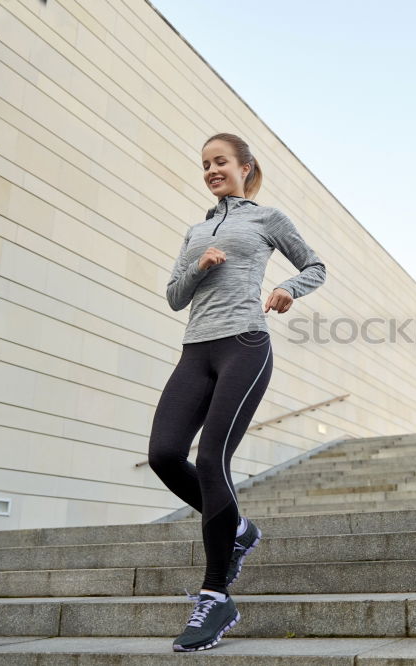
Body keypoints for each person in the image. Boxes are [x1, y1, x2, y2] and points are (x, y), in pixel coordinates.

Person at [147, 132, 326, 652]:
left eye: (219, 161)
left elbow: (314, 265)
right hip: (195, 350)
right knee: (162, 454)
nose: (211, 170)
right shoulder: (196, 229)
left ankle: (216, 593)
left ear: (245, 167)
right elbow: (174, 298)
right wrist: (199, 266)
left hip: (245, 345)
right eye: (205, 164)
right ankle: (240, 528)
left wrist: (286, 289)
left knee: (210, 461)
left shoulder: (267, 219)